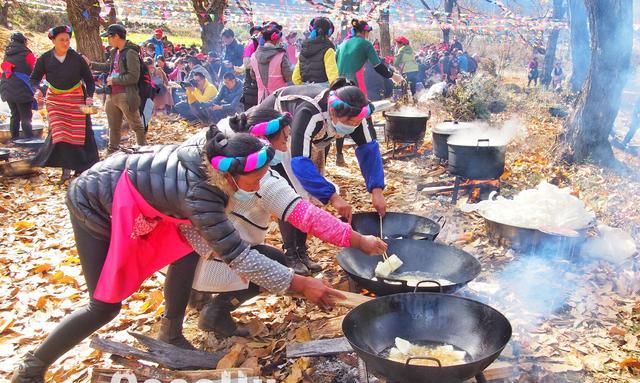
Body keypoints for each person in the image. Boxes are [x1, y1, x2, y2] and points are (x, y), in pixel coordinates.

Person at [9, 126, 348, 383]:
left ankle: (170, 331)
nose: (261, 184)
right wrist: (299, 283)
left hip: (135, 194)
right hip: (94, 201)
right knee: (103, 306)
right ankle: (31, 368)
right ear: (230, 174)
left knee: (185, 251)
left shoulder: (213, 169)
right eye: (255, 178)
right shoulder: (203, 194)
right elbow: (239, 255)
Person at [189, 109, 387, 337]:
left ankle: (196, 297)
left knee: (246, 259)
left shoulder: (230, 154)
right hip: (206, 246)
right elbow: (308, 217)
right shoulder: (254, 177)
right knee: (270, 264)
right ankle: (214, 313)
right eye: (283, 139)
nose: (285, 147)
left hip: (202, 245)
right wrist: (359, 241)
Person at [255, 78, 387, 274]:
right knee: (293, 193)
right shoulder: (310, 112)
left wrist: (376, 190)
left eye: (357, 122)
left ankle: (302, 251)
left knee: (311, 194)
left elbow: (369, 150)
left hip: (310, 141)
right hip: (278, 131)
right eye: (349, 123)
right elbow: (299, 161)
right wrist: (333, 197)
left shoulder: (358, 112)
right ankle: (291, 253)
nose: (353, 126)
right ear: (332, 112)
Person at [29, 26, 98, 183]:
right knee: (60, 133)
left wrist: (89, 96)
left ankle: (80, 168)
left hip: (75, 98)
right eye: (62, 40)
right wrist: (37, 90)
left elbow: (89, 80)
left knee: (77, 134)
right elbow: (34, 78)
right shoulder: (45, 59)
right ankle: (65, 170)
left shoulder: (77, 59)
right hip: (55, 100)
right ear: (53, 41)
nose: (65, 43)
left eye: (67, 40)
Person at [335, 19, 402, 167]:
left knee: (339, 117)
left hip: (337, 85)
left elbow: (335, 64)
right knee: (367, 117)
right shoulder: (365, 44)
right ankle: (375, 157)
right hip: (354, 85)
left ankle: (339, 155)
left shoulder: (341, 45)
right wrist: (393, 76)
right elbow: (378, 66)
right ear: (365, 32)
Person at [89, 24, 147, 153]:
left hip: (125, 94)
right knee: (113, 127)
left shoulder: (130, 53)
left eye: (109, 37)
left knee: (136, 126)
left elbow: (133, 76)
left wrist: (114, 80)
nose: (108, 40)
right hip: (112, 94)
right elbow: (108, 66)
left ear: (116, 36)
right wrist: (91, 64)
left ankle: (143, 151)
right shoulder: (115, 52)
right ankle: (112, 153)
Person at [0, 32, 36, 141]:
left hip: (7, 88)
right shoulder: (27, 54)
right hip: (22, 88)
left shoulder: (7, 53)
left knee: (14, 114)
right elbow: (35, 70)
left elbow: (5, 68)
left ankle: (14, 138)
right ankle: (29, 139)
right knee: (26, 115)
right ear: (23, 41)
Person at [250, 22, 293, 104]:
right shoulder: (281, 55)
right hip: (279, 98)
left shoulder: (254, 56)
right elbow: (288, 76)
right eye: (280, 39)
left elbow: (253, 75)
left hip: (262, 99)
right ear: (275, 40)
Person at [292, 17, 338, 86]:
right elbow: (332, 76)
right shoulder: (328, 50)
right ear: (329, 31)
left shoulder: (304, 48)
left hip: (304, 90)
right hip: (322, 91)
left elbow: (295, 78)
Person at [241, 25, 263, 110]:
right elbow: (246, 63)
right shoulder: (251, 44)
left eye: (259, 34)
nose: (257, 36)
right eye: (255, 34)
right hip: (251, 83)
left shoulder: (262, 45)